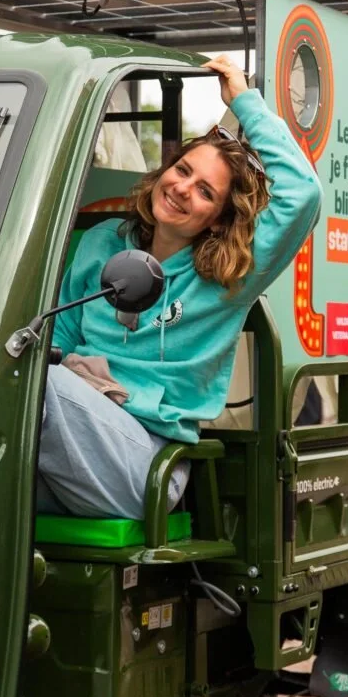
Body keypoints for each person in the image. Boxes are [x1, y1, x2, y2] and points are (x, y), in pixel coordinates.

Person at [41, 56, 321, 519]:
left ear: (218, 220)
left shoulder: (227, 278)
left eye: (206, 192)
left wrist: (243, 101)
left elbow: (302, 194)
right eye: (183, 170)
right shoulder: (100, 244)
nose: (184, 188)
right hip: (74, 440)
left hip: (146, 464)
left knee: (36, 382)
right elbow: (61, 338)